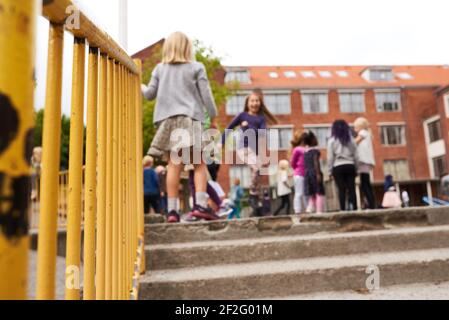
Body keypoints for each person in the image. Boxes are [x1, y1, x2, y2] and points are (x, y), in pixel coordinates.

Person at [141, 31, 218, 223]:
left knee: (173, 166)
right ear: (187, 48)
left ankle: (172, 211)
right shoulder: (196, 67)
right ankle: (200, 205)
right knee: (199, 164)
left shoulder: (159, 69)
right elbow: (206, 95)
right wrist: (213, 116)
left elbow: (150, 94)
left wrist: (138, 83)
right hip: (190, 119)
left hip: (168, 122)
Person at [221, 91, 278, 216]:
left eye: (257, 100)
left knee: (258, 171)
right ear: (247, 103)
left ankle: (255, 199)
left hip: (256, 150)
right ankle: (253, 196)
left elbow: (262, 135)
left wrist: (247, 129)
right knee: (256, 168)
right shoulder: (242, 115)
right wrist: (221, 142)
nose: (255, 103)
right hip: (243, 148)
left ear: (260, 103)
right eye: (252, 100)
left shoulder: (261, 119)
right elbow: (229, 127)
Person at [328, 120, 359, 211]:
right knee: (352, 188)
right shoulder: (351, 140)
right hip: (350, 165)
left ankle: (342, 209)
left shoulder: (332, 141)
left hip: (338, 166)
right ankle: (355, 209)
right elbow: (356, 156)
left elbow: (330, 157)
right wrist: (356, 169)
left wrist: (330, 171)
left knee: (341, 189)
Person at [354, 117, 376, 209]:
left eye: (355, 127)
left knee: (364, 184)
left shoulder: (362, 133)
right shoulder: (367, 134)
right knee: (366, 183)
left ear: (360, 126)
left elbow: (355, 142)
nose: (355, 129)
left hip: (363, 161)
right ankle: (371, 203)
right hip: (366, 161)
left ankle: (371, 204)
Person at [304, 132, 325, 213]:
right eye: (315, 138)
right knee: (319, 192)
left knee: (312, 193)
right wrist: (318, 173)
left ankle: (309, 208)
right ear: (312, 141)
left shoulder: (305, 152)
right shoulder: (315, 151)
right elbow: (316, 162)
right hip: (314, 173)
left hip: (307, 174)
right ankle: (319, 211)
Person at [290, 130, 308, 215]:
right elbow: (292, 162)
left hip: (306, 175)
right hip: (299, 175)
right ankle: (297, 211)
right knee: (299, 193)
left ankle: (307, 209)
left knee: (305, 193)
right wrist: (297, 169)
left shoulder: (306, 149)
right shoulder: (297, 149)